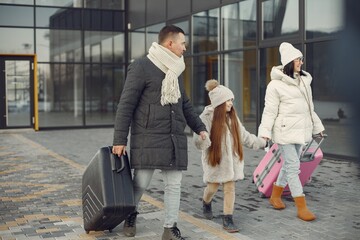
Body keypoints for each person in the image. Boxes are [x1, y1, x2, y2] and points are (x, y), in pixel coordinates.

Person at [112, 25, 207, 240]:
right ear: (170, 43)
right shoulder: (142, 66)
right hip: (148, 138)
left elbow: (185, 104)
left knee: (174, 185)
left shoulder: (175, 69)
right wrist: (119, 140)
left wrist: (200, 128)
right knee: (140, 184)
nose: (185, 48)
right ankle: (131, 214)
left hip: (173, 138)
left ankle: (169, 229)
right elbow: (126, 105)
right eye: (183, 43)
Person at [258, 42, 325, 221]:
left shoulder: (304, 82)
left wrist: (318, 128)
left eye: (301, 59)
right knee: (294, 167)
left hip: (301, 132)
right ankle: (301, 207)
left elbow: (310, 109)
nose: (301, 62)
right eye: (298, 59)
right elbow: (269, 111)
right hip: (285, 132)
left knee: (289, 166)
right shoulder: (275, 86)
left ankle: (275, 195)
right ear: (289, 62)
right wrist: (265, 132)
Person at [193, 79, 267, 233]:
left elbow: (244, 136)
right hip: (215, 160)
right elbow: (198, 139)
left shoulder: (232, 117)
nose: (231, 103)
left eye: (231, 100)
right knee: (212, 187)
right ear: (219, 102)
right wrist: (202, 138)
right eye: (228, 100)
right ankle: (206, 202)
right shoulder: (206, 117)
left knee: (230, 187)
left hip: (231, 162)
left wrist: (262, 143)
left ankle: (228, 219)